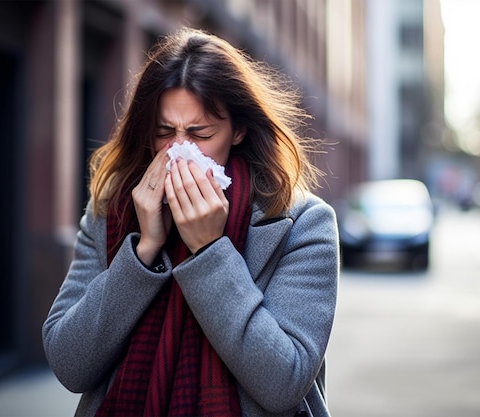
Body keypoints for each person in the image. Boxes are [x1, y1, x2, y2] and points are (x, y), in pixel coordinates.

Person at [42, 26, 339, 417]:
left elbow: (285, 383)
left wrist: (210, 251)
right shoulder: (110, 211)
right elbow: (69, 364)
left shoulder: (302, 223)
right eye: (165, 132)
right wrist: (143, 251)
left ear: (238, 131)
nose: (179, 149)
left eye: (200, 133)